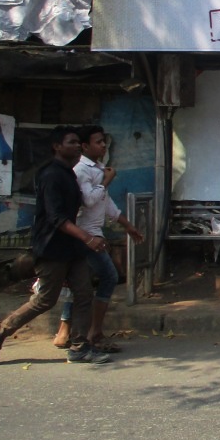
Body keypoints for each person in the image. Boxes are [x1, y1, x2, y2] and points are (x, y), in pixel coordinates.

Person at [0, 126, 112, 365]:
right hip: (52, 246)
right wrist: (88, 238)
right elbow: (56, 218)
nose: (76, 146)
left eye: (77, 143)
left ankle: (79, 346)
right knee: (46, 299)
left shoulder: (69, 173)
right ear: (57, 146)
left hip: (72, 247)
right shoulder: (51, 175)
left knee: (84, 293)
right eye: (71, 142)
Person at [49, 125, 144, 352]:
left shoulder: (98, 168)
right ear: (85, 146)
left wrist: (128, 226)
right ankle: (94, 332)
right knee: (109, 277)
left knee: (79, 282)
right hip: (85, 235)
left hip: (91, 234)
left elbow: (107, 205)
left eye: (104, 142)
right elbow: (90, 200)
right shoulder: (82, 170)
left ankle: (65, 332)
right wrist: (106, 180)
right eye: (98, 142)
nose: (103, 145)